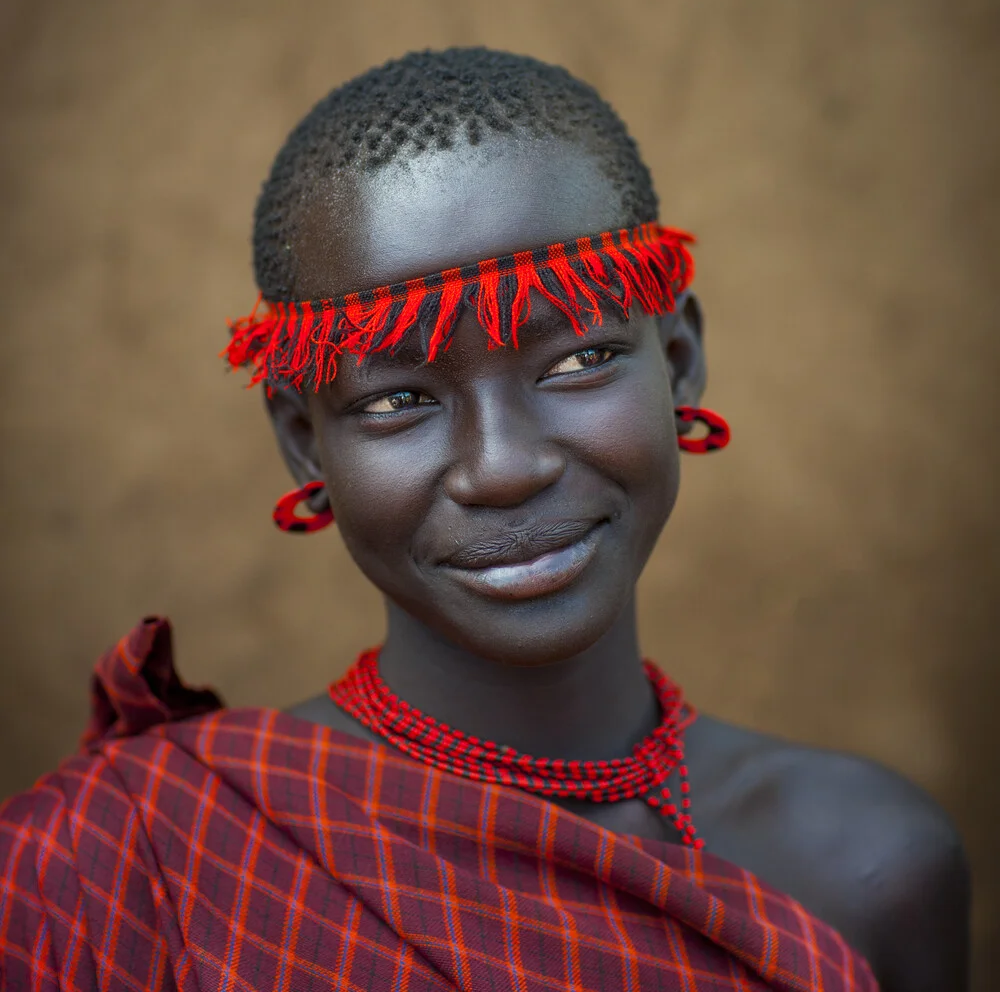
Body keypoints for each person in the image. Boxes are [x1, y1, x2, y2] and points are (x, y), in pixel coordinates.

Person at [0, 48, 970, 991]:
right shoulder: (116, 863)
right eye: (396, 401)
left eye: (577, 360)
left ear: (676, 360)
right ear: (305, 441)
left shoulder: (874, 868)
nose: (503, 468)